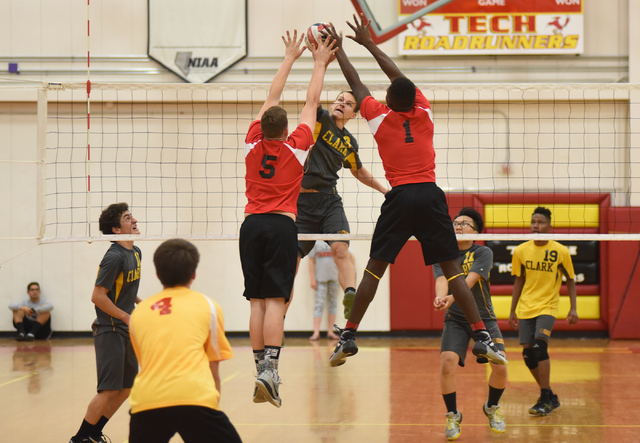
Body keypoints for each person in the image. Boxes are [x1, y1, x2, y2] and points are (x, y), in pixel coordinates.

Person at [324, 15, 507, 368]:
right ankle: (482, 336)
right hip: (430, 194)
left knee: (374, 271)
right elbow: (398, 78)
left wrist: (343, 49)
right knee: (452, 270)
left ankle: (348, 335)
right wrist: (370, 43)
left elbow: (356, 82)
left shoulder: (379, 116)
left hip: (401, 197)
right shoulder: (424, 110)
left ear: (389, 102)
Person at [240, 30, 337, 408]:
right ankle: (271, 370)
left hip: (250, 225)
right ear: (285, 130)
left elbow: (272, 97)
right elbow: (311, 101)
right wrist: (318, 62)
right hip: (281, 224)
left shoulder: (251, 140)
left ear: (263, 127)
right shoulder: (296, 146)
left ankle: (260, 368)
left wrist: (289, 57)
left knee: (256, 304)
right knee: (276, 301)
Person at [128, 239, 242, 443]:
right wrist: (210, 407)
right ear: (194, 274)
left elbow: (145, 362)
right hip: (195, 398)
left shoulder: (139, 313)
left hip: (147, 402)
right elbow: (212, 369)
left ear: (157, 274)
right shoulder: (209, 306)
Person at [296, 89, 389, 319]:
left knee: (340, 248)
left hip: (329, 200)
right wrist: (321, 63)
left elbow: (357, 170)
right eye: (339, 100)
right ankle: (280, 317)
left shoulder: (349, 141)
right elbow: (312, 98)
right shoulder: (320, 119)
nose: (341, 104)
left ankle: (350, 295)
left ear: (353, 114)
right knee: (291, 261)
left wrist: (385, 190)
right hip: (302, 203)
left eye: (348, 104)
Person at [70, 202, 142, 443]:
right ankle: (80, 438)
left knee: (127, 387)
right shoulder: (114, 256)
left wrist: (143, 304)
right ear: (116, 230)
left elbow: (125, 290)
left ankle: (93, 434)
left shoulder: (135, 252)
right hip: (110, 329)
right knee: (109, 389)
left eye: (131, 215)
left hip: (125, 327)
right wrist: (125, 316)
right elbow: (98, 296)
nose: (133, 220)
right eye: (127, 217)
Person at [433, 208, 507, 440]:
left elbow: (469, 282)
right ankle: (452, 415)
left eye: (465, 224)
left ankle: (491, 407)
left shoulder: (483, 252)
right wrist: (439, 297)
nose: (458, 226)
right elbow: (441, 279)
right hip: (455, 319)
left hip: (484, 318)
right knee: (447, 363)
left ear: (475, 232)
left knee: (501, 367)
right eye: (455, 223)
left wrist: (450, 297)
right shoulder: (444, 253)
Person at [509, 206, 578, 416]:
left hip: (548, 306)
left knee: (540, 348)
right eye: (533, 222)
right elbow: (518, 281)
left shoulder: (560, 251)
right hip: (526, 307)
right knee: (528, 355)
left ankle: (545, 397)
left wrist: (573, 307)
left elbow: (570, 280)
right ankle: (549, 395)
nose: (535, 226)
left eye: (540, 222)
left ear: (549, 226)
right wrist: (512, 311)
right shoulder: (521, 251)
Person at [308, 241, 346, 340]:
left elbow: (348, 257)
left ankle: (330, 331)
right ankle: (316, 332)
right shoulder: (316, 242)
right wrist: (312, 278)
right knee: (319, 304)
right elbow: (311, 261)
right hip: (321, 279)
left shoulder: (336, 240)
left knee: (333, 304)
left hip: (334, 278)